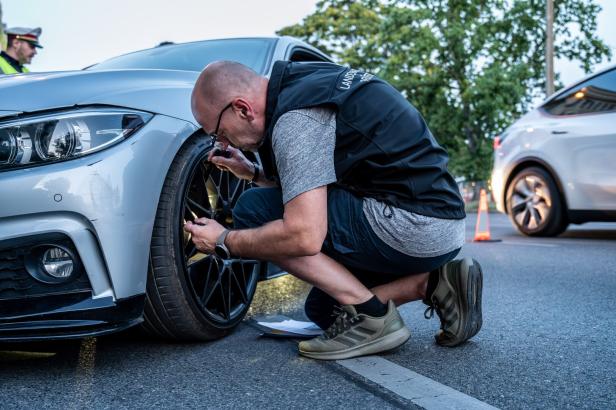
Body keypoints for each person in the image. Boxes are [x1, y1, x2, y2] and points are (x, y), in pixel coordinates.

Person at [186, 60, 483, 360]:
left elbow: (305, 235)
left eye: (219, 132)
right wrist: (254, 173)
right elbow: (318, 181)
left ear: (242, 108)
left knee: (252, 210)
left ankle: (372, 319)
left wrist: (224, 240)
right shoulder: (304, 82)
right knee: (325, 311)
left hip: (411, 224)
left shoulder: (296, 119)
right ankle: (435, 282)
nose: (221, 142)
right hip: (436, 224)